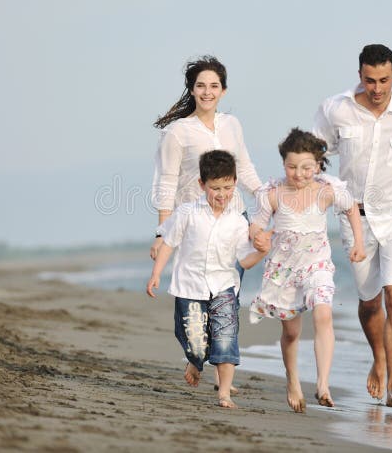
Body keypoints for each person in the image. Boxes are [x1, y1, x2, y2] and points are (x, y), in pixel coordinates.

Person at [313, 44, 392, 408]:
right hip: (355, 218)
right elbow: (315, 154)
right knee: (370, 304)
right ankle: (379, 359)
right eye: (370, 80)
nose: (377, 88)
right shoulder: (336, 109)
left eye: (384, 80)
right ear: (360, 76)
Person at [150, 55, 267, 392]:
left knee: (227, 297)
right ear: (192, 89)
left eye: (214, 85)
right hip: (193, 225)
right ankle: (195, 354)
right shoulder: (178, 133)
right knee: (193, 303)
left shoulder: (232, 125)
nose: (207, 91)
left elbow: (243, 168)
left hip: (234, 219)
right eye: (201, 85)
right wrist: (161, 232)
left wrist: (266, 196)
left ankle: (221, 373)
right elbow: (166, 183)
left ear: (223, 90)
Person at [248, 128, 366, 413]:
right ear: (283, 164)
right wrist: (258, 236)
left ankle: (323, 384)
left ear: (317, 165)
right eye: (291, 167)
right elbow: (256, 224)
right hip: (283, 272)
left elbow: (351, 208)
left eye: (306, 168)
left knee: (324, 314)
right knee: (291, 333)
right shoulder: (273, 195)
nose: (299, 174)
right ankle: (293, 380)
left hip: (317, 265)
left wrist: (359, 242)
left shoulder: (325, 192)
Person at [147, 150, 268, 409]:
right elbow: (169, 243)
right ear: (202, 185)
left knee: (225, 338)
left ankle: (224, 392)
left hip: (224, 287)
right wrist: (157, 273)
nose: (222, 194)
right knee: (196, 343)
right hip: (189, 287)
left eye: (227, 186)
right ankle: (195, 360)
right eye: (215, 188)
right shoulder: (187, 213)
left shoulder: (237, 222)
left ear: (235, 182)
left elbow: (244, 260)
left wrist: (261, 251)